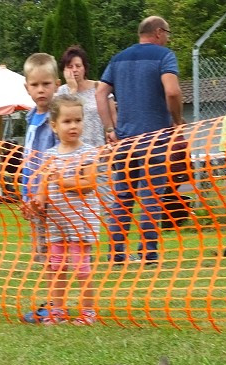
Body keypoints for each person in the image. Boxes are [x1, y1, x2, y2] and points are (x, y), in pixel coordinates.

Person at [96, 16, 184, 265]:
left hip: (124, 141)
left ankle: (116, 255)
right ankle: (148, 254)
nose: (167, 37)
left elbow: (101, 92)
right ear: (157, 32)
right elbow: (173, 91)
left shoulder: (119, 58)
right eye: (167, 32)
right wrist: (177, 120)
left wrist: (109, 128)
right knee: (151, 198)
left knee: (123, 197)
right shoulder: (164, 56)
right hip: (155, 139)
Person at [34, 94, 102, 325]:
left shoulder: (89, 153)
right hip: (56, 224)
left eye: (78, 120)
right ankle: (58, 311)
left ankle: (88, 313)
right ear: (54, 125)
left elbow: (89, 184)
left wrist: (62, 181)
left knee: (82, 269)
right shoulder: (49, 155)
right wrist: (39, 200)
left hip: (80, 224)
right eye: (67, 121)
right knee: (56, 268)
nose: (73, 126)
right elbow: (43, 185)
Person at [18, 52, 60, 323]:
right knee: (44, 255)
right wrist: (26, 194)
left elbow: (57, 158)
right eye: (35, 85)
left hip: (53, 198)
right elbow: (28, 160)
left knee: (57, 254)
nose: (41, 90)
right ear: (27, 87)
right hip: (33, 197)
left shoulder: (58, 119)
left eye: (46, 84)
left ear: (56, 84)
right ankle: (54, 301)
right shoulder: (31, 117)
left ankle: (57, 304)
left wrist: (45, 191)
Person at [56, 45, 106, 149]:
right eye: (70, 67)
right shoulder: (61, 92)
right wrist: (73, 90)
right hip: (71, 151)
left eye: (78, 66)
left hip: (98, 149)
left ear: (84, 68)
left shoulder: (98, 88)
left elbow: (111, 120)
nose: (74, 70)